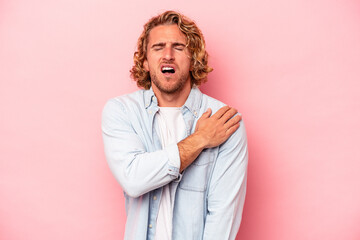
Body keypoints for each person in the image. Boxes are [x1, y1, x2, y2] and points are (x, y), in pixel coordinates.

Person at [102, 10, 248, 240]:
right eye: (158, 47)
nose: (168, 55)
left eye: (179, 47)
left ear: (193, 59)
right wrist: (200, 139)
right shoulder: (122, 112)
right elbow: (133, 179)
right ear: (145, 61)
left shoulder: (224, 121)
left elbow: (222, 216)